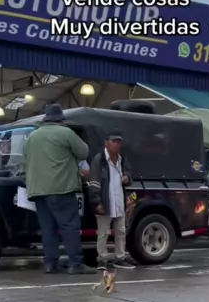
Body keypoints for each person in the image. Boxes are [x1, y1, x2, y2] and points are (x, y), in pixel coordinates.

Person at [22, 103, 95, 275]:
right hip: (61, 188)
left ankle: (50, 263)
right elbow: (84, 152)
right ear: (61, 120)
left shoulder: (32, 136)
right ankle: (75, 263)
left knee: (48, 228)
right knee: (69, 226)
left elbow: (25, 161)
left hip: (38, 190)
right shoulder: (65, 133)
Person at [89, 132, 134, 269]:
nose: (116, 145)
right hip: (105, 201)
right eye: (114, 141)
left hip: (119, 201)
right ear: (106, 143)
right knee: (103, 232)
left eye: (119, 142)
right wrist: (97, 202)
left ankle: (120, 258)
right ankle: (102, 259)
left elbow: (129, 173)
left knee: (121, 231)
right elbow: (94, 182)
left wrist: (127, 177)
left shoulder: (122, 159)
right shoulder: (99, 160)